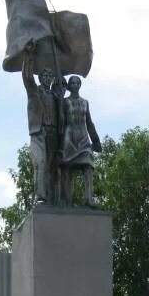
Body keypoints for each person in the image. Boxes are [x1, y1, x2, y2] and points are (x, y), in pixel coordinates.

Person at [21, 40, 61, 205]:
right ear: (40, 77)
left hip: (53, 133)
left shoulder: (55, 95)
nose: (48, 78)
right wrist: (28, 56)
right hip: (39, 133)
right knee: (41, 162)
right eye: (45, 75)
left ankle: (53, 199)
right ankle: (40, 196)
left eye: (50, 76)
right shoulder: (34, 90)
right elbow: (27, 76)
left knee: (53, 167)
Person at [58, 75, 102, 207]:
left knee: (88, 166)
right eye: (73, 83)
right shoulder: (64, 102)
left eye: (78, 83)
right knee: (68, 169)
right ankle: (68, 200)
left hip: (83, 137)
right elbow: (60, 122)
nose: (75, 85)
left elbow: (89, 122)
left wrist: (96, 140)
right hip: (69, 137)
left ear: (80, 85)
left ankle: (89, 199)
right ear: (69, 86)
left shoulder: (85, 102)